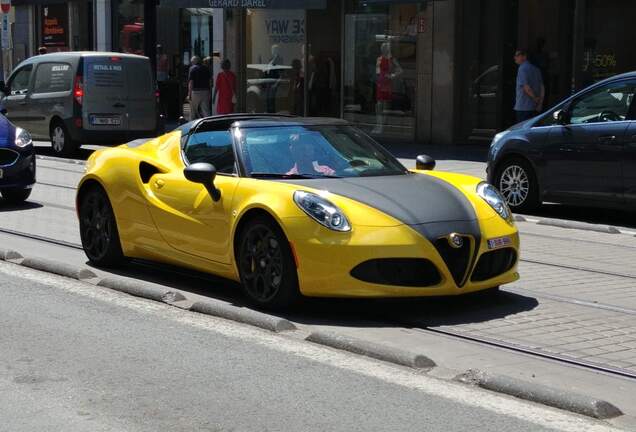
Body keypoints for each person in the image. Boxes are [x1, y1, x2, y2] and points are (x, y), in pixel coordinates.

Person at [372, 42, 402, 134]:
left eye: (386, 48)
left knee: (384, 107)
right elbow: (377, 71)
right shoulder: (379, 59)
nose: (384, 50)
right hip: (380, 84)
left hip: (386, 84)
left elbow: (400, 70)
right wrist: (377, 78)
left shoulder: (392, 59)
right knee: (378, 106)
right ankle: (378, 125)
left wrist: (392, 75)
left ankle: (382, 127)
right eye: (383, 48)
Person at [513, 49, 544, 123]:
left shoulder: (522, 68)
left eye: (517, 55)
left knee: (522, 131)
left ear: (524, 57)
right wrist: (540, 103)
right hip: (535, 107)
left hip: (523, 107)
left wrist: (535, 98)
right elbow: (542, 87)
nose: (515, 58)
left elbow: (526, 87)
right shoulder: (536, 69)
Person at [188, 56, 211, 120]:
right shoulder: (206, 68)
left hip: (195, 92)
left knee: (193, 111)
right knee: (206, 110)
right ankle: (209, 125)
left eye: (192, 62)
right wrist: (209, 92)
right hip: (205, 91)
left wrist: (189, 94)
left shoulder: (192, 68)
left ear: (194, 62)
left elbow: (191, 82)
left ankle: (191, 126)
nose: (191, 63)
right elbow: (209, 81)